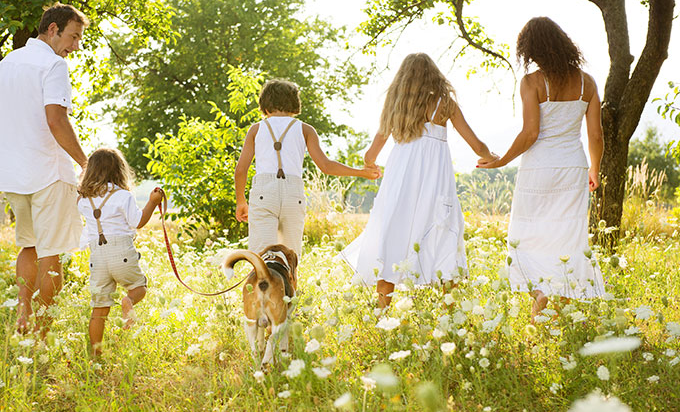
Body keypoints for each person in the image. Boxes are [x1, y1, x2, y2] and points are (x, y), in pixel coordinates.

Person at [0, 3, 90, 335]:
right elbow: (56, 120)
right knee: (51, 252)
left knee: (29, 246)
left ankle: (23, 316)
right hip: (48, 174)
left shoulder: (7, 63)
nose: (76, 46)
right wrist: (86, 163)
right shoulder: (53, 65)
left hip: (13, 175)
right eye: (74, 36)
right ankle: (42, 334)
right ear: (53, 29)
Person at [340, 53, 498, 308]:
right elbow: (476, 144)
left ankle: (382, 312)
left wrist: (370, 165)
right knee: (441, 229)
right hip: (435, 181)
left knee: (394, 233)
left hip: (400, 179)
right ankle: (449, 314)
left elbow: (371, 153)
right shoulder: (445, 104)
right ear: (434, 76)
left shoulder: (396, 107)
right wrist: (490, 156)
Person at [478, 17, 605, 321]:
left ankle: (540, 294)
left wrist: (501, 160)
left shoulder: (532, 82)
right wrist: (595, 170)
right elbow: (596, 134)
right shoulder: (587, 82)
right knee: (566, 236)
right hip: (573, 165)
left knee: (529, 234)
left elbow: (530, 133)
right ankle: (553, 307)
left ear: (531, 49)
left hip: (538, 168)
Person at [234, 79, 380, 257]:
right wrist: (361, 172)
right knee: (290, 255)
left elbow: (241, 170)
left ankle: (258, 283)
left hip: (264, 193)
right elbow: (326, 166)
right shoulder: (305, 130)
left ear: (264, 106)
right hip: (293, 193)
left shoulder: (256, 130)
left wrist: (241, 201)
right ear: (295, 105)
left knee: (260, 255)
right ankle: (291, 284)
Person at [77, 148, 164, 357]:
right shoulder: (123, 196)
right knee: (139, 287)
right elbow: (138, 222)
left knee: (99, 309)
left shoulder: (83, 201)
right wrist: (152, 202)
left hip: (97, 258)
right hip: (122, 253)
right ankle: (129, 301)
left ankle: (95, 356)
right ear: (119, 171)